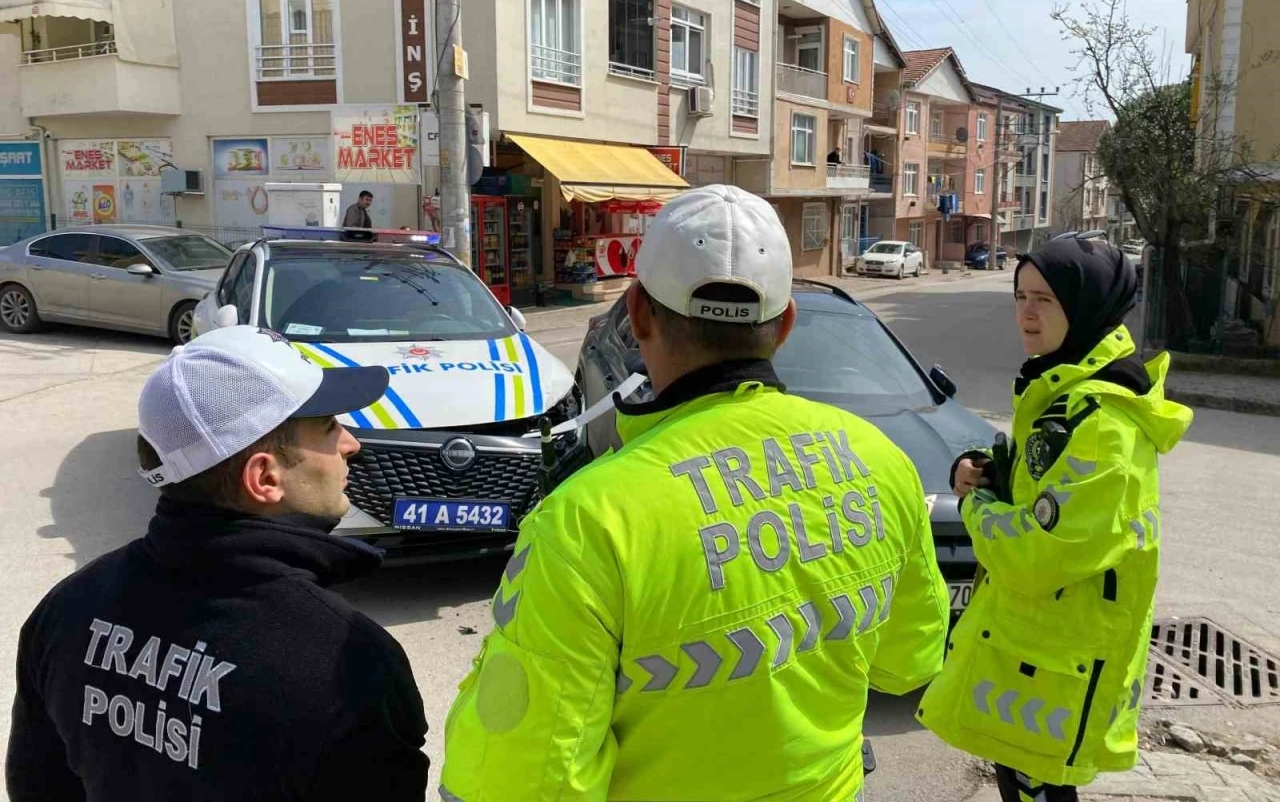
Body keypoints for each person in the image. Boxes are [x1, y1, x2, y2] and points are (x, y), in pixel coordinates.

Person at [441, 184, 951, 801]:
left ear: (637, 314)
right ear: (786, 324)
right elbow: (909, 663)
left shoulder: (588, 519)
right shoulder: (880, 461)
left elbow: (519, 778)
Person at [6, 326, 430, 801]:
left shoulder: (68, 608)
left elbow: (37, 785)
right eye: (329, 426)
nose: (351, 444)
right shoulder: (347, 664)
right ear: (265, 477)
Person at [917, 233, 1193, 802]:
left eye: (1044, 299)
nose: (1026, 313)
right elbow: (1040, 479)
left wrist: (975, 504)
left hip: (1060, 666)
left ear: (1086, 303)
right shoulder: (1063, 389)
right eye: (1020, 296)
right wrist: (986, 466)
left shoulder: (1104, 424)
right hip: (1035, 653)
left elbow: (1038, 554)